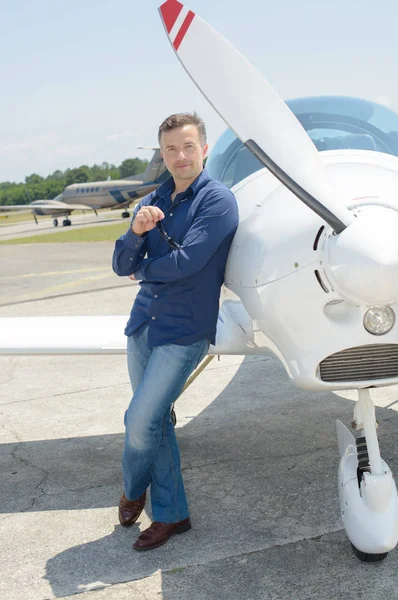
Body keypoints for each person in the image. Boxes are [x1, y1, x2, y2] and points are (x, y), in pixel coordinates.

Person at [112, 112, 239, 551]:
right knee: (158, 422)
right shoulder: (152, 199)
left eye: (188, 146)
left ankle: (132, 489)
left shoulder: (217, 201)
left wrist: (145, 268)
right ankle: (173, 515)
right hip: (143, 324)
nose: (180, 156)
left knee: (139, 420)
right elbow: (120, 265)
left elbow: (190, 263)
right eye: (170, 149)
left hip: (183, 332)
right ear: (162, 155)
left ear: (203, 149)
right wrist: (136, 229)